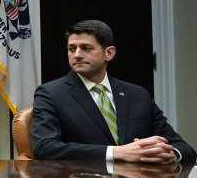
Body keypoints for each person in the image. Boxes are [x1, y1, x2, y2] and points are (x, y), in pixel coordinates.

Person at [31, 19, 194, 164]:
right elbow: (45, 147)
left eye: (86, 48)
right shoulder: (50, 93)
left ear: (109, 53)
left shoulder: (138, 95)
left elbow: (183, 148)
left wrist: (171, 154)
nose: (77, 55)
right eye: (71, 49)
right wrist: (117, 153)